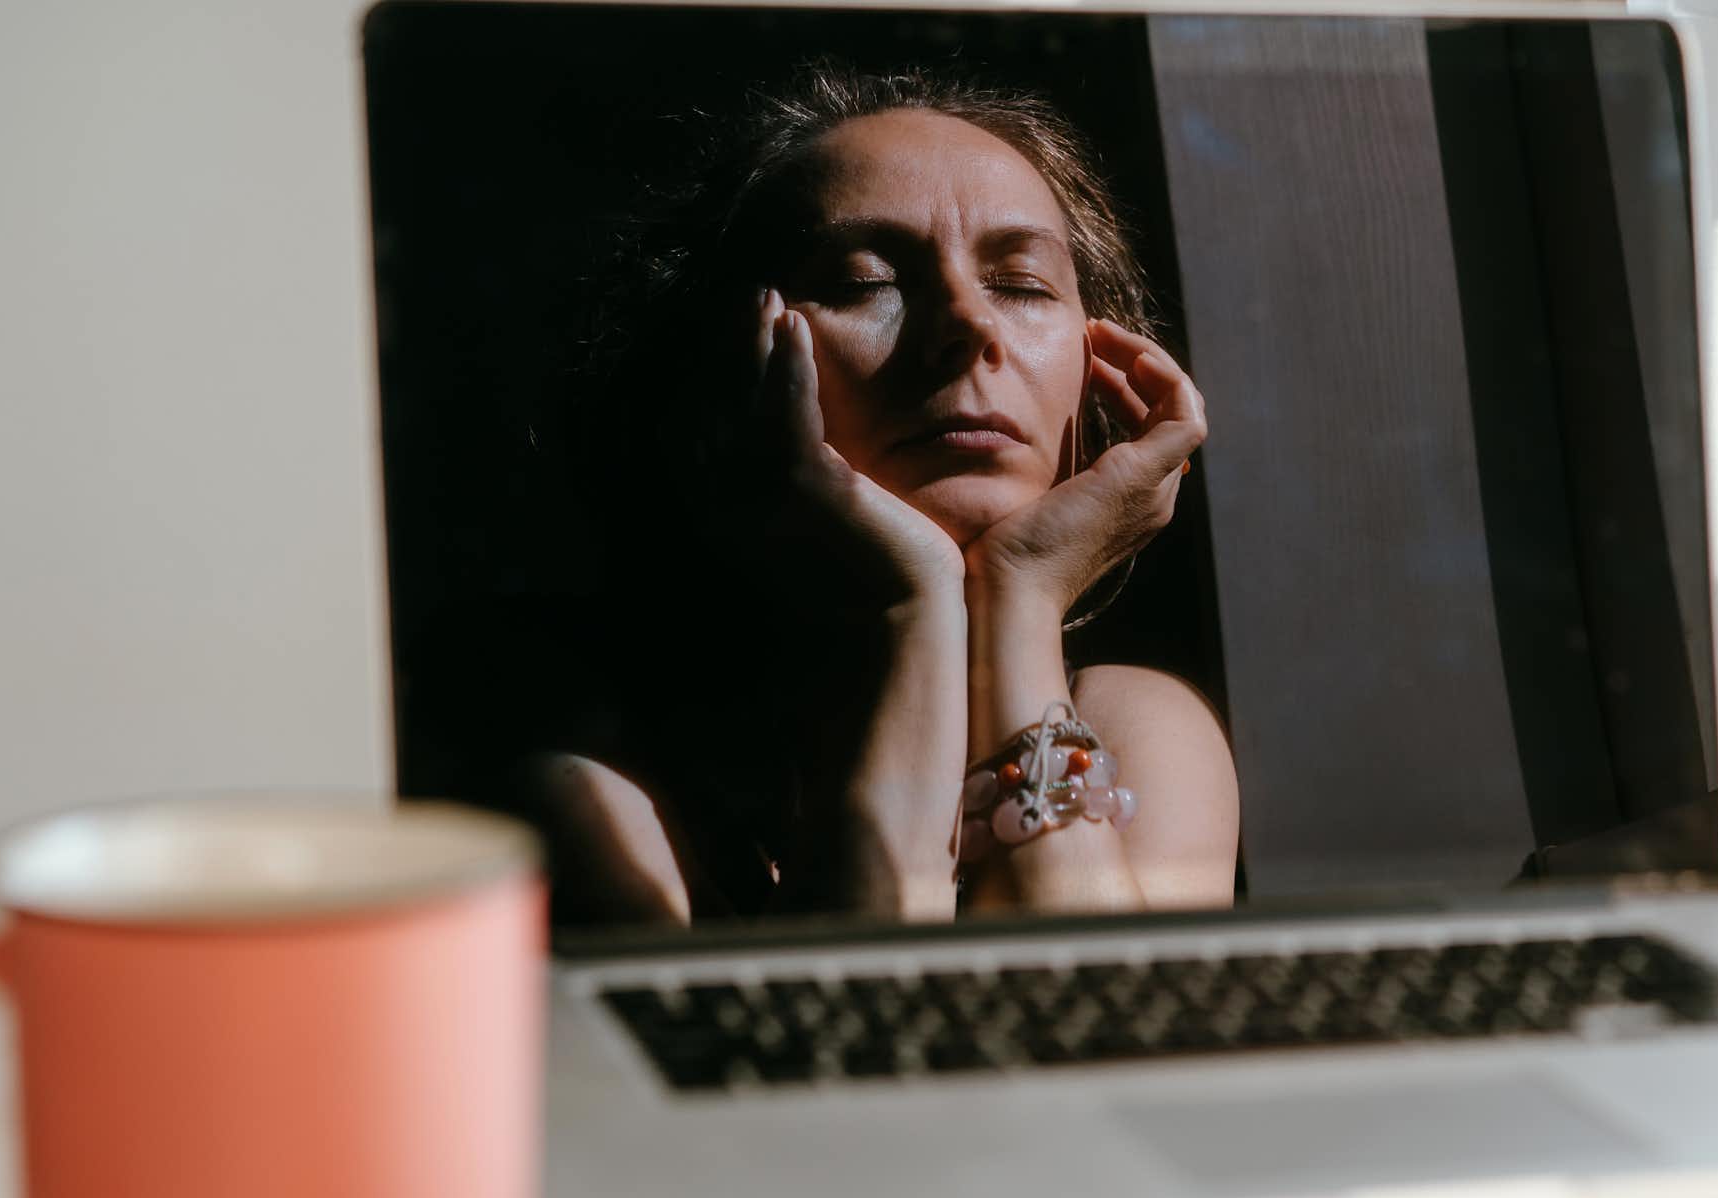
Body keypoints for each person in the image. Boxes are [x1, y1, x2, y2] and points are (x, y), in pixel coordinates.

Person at [529, 62, 1239, 926]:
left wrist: (1020, 599)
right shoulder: (597, 780)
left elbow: (1114, 1031)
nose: (970, 327)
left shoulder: (1138, 729)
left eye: (1021, 285)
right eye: (866, 282)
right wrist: (913, 606)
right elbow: (859, 1027)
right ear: (717, 372)